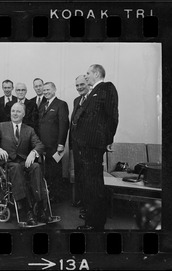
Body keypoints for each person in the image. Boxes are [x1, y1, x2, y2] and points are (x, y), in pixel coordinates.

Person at [70, 64, 119, 230]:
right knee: (90, 184)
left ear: (97, 73)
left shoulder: (107, 88)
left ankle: (95, 224)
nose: (86, 76)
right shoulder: (92, 93)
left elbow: (113, 117)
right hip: (84, 146)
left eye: (88, 73)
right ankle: (91, 221)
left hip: (93, 146)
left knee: (94, 185)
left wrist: (108, 139)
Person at [0, 102, 52, 225]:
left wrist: (33, 152)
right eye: (13, 111)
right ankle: (26, 209)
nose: (15, 114)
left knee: (36, 166)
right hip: (7, 162)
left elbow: (39, 144)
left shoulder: (29, 129)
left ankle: (40, 207)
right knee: (16, 167)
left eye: (18, 111)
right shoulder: (2, 126)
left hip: (23, 161)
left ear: (23, 114)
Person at [39, 82, 69, 203]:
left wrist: (61, 143)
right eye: (44, 90)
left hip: (55, 146)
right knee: (45, 171)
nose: (46, 92)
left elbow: (64, 125)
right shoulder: (43, 105)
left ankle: (56, 197)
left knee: (55, 171)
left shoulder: (61, 104)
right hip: (43, 145)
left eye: (48, 90)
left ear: (54, 89)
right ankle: (48, 194)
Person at [68, 75, 91, 220]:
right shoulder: (77, 100)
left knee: (88, 178)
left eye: (82, 84)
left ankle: (88, 208)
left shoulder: (93, 100)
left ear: (88, 83)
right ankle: (83, 203)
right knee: (80, 177)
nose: (79, 87)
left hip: (88, 146)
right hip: (76, 146)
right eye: (77, 85)